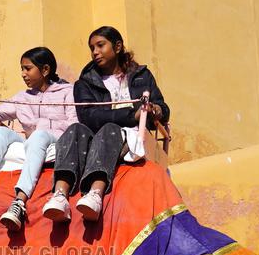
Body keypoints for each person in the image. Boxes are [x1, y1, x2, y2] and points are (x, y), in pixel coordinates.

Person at [42, 26, 170, 222]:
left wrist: (157, 110)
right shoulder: (84, 83)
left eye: (100, 45)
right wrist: (131, 115)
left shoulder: (142, 75)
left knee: (110, 128)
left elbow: (163, 109)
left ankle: (95, 194)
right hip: (97, 137)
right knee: (75, 128)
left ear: (117, 47)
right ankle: (60, 196)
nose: (95, 52)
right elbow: (88, 117)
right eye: (92, 48)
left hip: (133, 137)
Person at [0, 47, 76, 230]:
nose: (23, 74)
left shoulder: (67, 91)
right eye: (22, 69)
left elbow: (73, 125)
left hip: (56, 141)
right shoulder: (22, 97)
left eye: (28, 69)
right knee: (1, 133)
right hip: (31, 143)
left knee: (39, 135)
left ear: (45, 70)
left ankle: (19, 203)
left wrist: (43, 125)